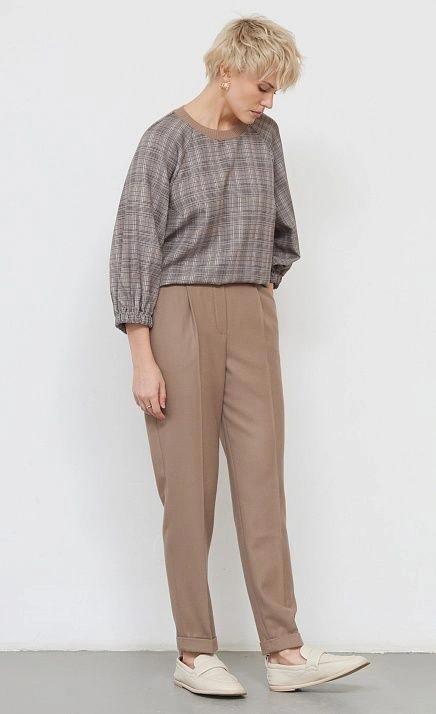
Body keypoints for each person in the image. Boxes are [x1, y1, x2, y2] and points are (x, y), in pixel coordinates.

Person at [109, 14, 370, 697]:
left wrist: (255, 290)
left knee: (262, 483)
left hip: (252, 311)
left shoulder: (265, 139)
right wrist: (143, 355)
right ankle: (194, 652)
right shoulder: (164, 140)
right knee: (187, 490)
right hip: (179, 314)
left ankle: (285, 651)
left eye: (277, 89)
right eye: (263, 85)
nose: (270, 99)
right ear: (226, 71)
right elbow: (134, 246)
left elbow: (284, 232)